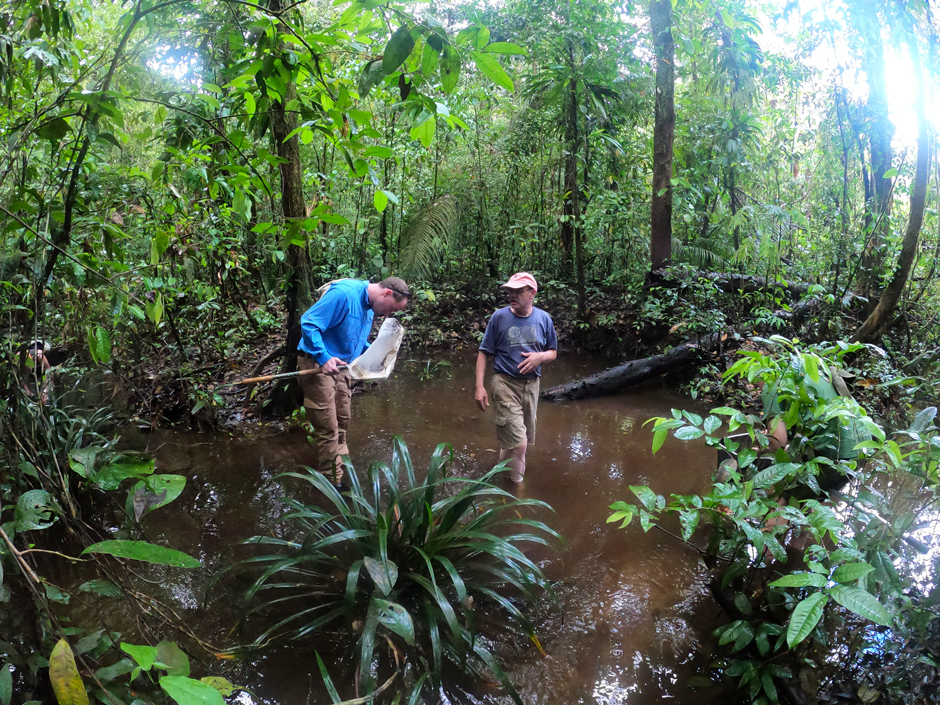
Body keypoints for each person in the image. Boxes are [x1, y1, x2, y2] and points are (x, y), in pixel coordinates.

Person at [297, 277, 410, 488]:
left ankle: (341, 468)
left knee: (342, 420)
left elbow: (355, 338)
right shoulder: (344, 294)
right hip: (318, 365)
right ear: (386, 293)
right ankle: (332, 486)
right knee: (328, 427)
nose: (387, 315)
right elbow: (308, 322)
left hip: (342, 368)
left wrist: (377, 353)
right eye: (391, 309)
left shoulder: (370, 306)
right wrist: (324, 357)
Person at [475, 273, 557, 482]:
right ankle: (517, 493)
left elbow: (553, 352)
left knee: (513, 442)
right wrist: (479, 387)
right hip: (504, 384)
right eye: (510, 291)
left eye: (519, 291)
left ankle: (499, 477)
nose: (513, 295)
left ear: (532, 293)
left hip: (531, 387)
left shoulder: (543, 318)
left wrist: (540, 357)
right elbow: (484, 352)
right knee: (520, 444)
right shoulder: (499, 318)